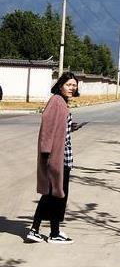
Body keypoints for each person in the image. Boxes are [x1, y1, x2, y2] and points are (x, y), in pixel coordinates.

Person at [26, 71, 79, 244]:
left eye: (74, 85)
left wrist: (70, 127)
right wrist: (46, 152)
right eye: (68, 85)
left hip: (64, 155)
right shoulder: (56, 101)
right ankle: (38, 231)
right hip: (56, 157)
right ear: (60, 85)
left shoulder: (62, 102)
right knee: (52, 194)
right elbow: (47, 127)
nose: (72, 88)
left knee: (57, 194)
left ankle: (54, 231)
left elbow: (59, 127)